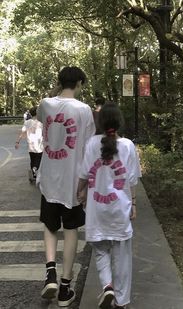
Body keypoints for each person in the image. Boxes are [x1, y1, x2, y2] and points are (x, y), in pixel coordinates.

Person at [37, 66, 96, 307]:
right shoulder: (84, 110)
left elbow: (44, 121)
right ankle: (64, 287)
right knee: (71, 230)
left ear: (59, 81)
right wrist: (86, 185)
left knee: (50, 226)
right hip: (73, 181)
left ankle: (49, 272)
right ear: (80, 83)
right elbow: (89, 149)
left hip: (49, 178)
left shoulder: (45, 104)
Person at [78, 102, 141, 309]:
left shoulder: (91, 143)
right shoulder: (128, 146)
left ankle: (107, 286)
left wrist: (80, 192)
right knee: (122, 258)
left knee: (101, 251)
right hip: (119, 211)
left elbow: (84, 174)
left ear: (101, 122)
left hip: (97, 212)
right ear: (119, 122)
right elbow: (132, 180)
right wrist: (133, 204)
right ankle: (121, 302)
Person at [15, 106, 43, 182]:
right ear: (37, 113)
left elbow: (22, 133)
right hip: (39, 146)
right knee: (38, 160)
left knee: (32, 160)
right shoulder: (41, 122)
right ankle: (34, 170)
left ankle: (33, 174)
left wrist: (17, 142)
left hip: (31, 145)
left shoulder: (27, 122)